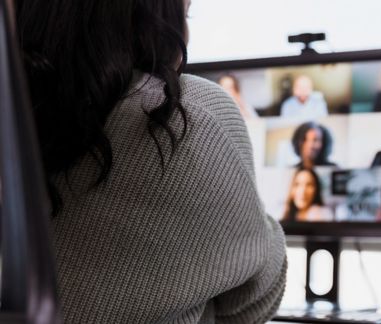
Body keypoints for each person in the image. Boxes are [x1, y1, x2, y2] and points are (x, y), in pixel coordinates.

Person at [16, 0, 286, 323]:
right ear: (157, 20)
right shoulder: (190, 113)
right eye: (185, 14)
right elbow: (256, 300)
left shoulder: (14, 116)